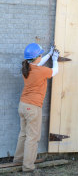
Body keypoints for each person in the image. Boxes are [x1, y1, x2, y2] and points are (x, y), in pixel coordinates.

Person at [13, 43, 59, 172]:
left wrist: (49, 54)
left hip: (23, 105)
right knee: (33, 137)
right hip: (33, 107)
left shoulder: (26, 67)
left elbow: (38, 63)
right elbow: (55, 71)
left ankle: (18, 159)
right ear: (37, 57)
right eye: (40, 54)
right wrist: (55, 59)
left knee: (23, 134)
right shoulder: (41, 71)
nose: (41, 57)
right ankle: (28, 167)